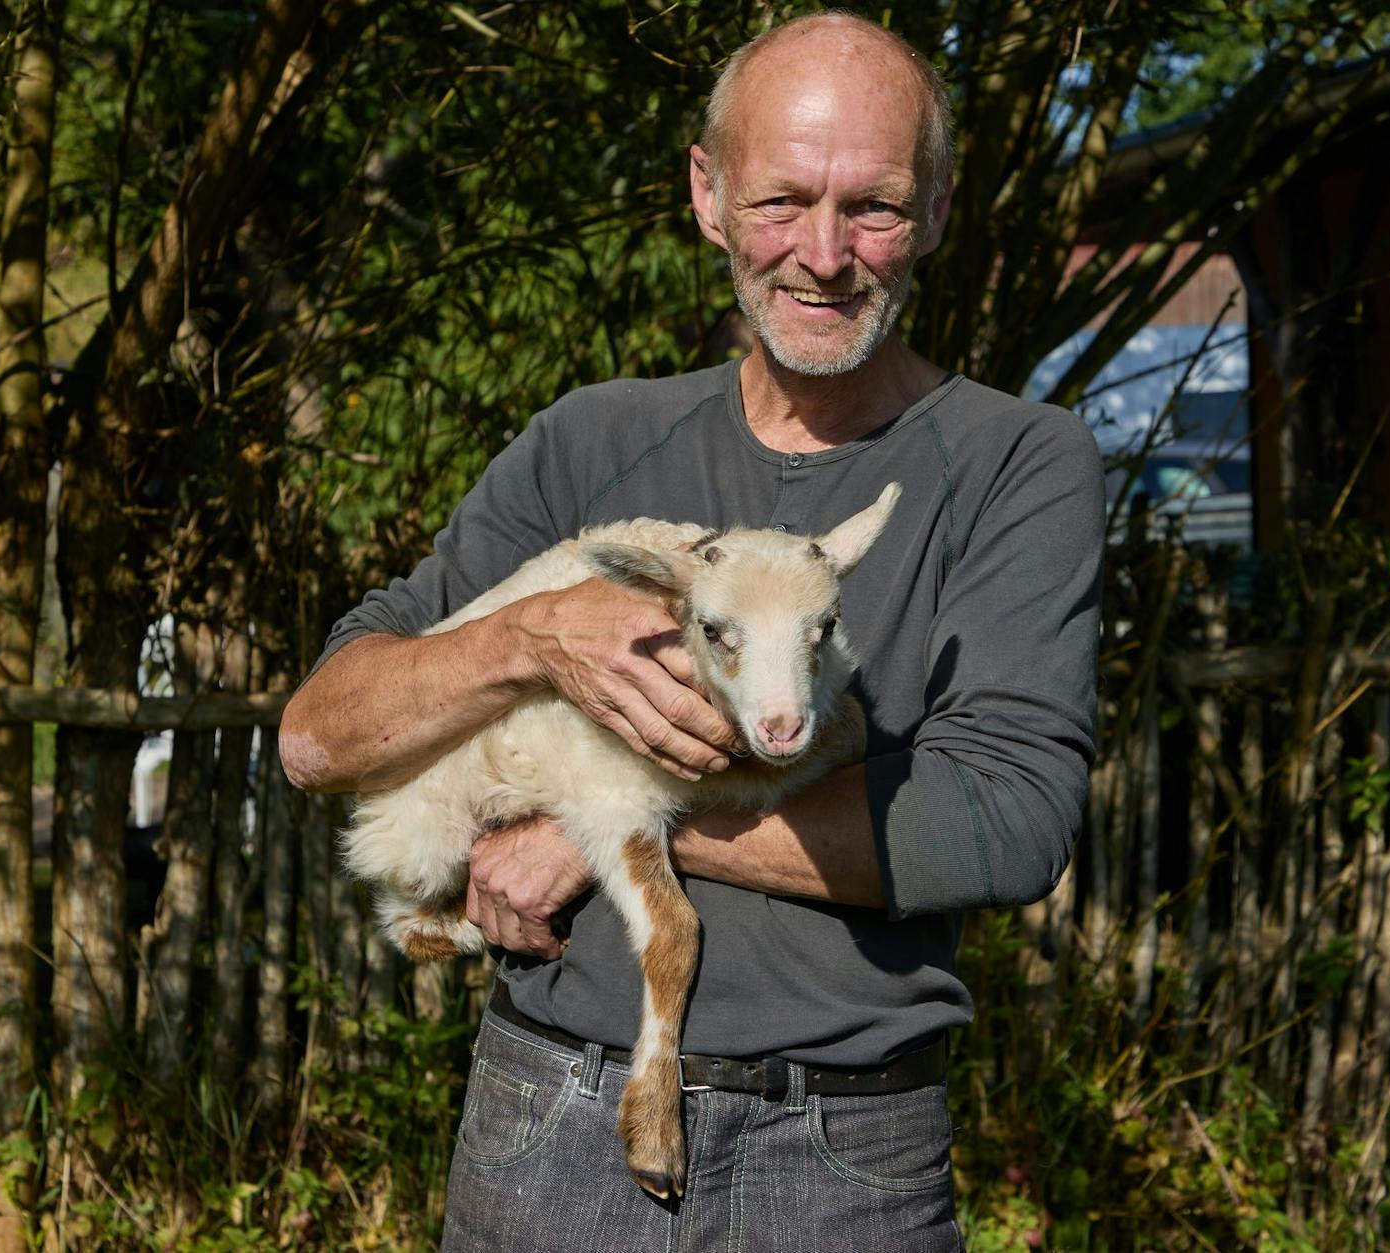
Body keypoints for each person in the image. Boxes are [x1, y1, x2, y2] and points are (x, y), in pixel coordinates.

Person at [278, 12, 1103, 1251]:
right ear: (707, 195)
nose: (822, 254)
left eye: (870, 206)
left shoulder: (1016, 464)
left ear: (934, 208)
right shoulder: (590, 441)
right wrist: (530, 637)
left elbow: (1003, 820)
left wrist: (597, 816)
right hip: (545, 1114)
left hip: (839, 1160)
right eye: (780, 200)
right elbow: (316, 735)